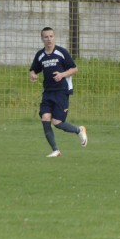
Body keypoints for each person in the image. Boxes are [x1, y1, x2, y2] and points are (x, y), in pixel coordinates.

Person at [29, 27, 87, 157]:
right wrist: (32, 75)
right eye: (46, 37)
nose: (49, 39)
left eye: (51, 36)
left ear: (54, 37)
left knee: (57, 123)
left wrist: (62, 75)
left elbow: (74, 69)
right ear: (42, 39)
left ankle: (79, 130)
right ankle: (55, 150)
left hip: (61, 91)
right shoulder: (40, 55)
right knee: (45, 118)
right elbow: (33, 70)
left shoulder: (61, 52)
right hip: (47, 92)